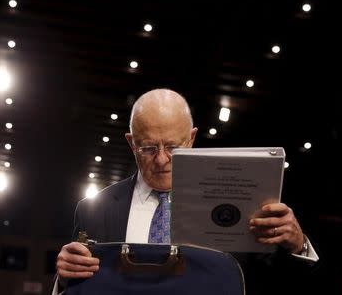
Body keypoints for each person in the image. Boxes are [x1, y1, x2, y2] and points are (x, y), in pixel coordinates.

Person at [53, 88, 319, 295]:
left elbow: (275, 283)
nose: (160, 160)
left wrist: (298, 245)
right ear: (131, 142)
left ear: (191, 139)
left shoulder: (238, 201)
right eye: (147, 148)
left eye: (172, 147)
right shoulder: (93, 211)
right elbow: (80, 284)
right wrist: (64, 278)